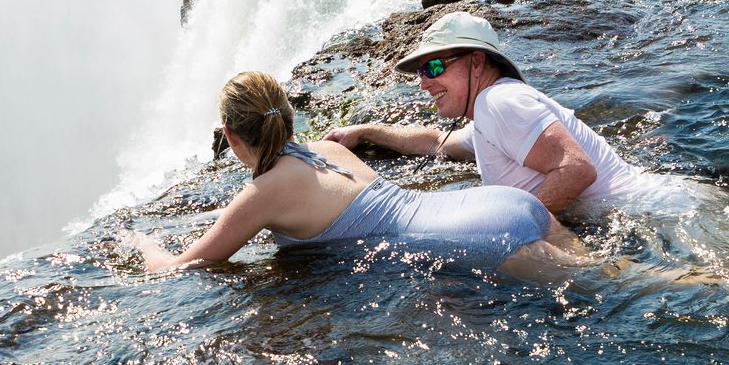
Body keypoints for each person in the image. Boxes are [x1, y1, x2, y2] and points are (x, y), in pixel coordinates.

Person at [125, 70, 592, 281]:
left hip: (475, 240)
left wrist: (140, 244)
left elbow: (181, 267)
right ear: (289, 117)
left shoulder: (261, 194)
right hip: (502, 204)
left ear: (230, 135)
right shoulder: (327, 148)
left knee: (606, 292)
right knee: (638, 281)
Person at [320, 10, 683, 216]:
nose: (424, 83)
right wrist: (365, 131)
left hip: (658, 214)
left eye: (433, 68)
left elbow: (576, 169)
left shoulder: (498, 103)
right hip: (657, 208)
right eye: (419, 72)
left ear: (477, 61)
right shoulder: (491, 113)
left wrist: (512, 226)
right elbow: (436, 142)